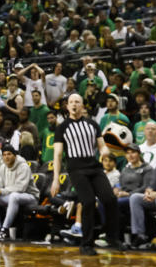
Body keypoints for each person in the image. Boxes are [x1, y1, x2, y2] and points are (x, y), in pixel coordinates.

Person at [50, 93, 121, 255]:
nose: (74, 104)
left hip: (94, 167)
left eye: (77, 101)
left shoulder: (92, 124)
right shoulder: (62, 127)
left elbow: (101, 146)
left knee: (110, 199)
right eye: (71, 102)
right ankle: (86, 244)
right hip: (76, 169)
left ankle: (112, 237)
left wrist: (105, 152)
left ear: (82, 106)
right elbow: (58, 154)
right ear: (67, 106)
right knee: (88, 202)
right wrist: (56, 179)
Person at [0, 144, 40, 240]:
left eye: (9, 154)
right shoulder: (2, 168)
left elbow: (21, 188)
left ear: (15, 155)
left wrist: (0, 191)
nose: (6, 157)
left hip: (30, 197)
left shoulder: (23, 166)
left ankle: (5, 230)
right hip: (11, 196)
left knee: (14, 196)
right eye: (4, 155)